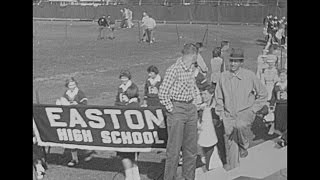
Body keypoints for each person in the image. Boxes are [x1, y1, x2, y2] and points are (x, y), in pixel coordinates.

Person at [215, 48, 268, 170]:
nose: (233, 64)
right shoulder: (223, 77)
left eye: (236, 61)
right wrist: (221, 113)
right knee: (230, 142)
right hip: (228, 115)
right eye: (231, 61)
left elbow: (263, 93)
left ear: (241, 62)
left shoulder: (249, 75)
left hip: (245, 113)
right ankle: (234, 170)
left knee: (239, 125)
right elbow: (219, 97)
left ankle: (244, 145)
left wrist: (254, 109)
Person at [158, 43, 200, 180]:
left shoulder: (191, 69)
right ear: (193, 55)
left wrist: (196, 103)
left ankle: (189, 177)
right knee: (174, 151)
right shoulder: (174, 70)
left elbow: (192, 88)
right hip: (177, 110)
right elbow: (163, 93)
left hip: (190, 109)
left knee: (191, 150)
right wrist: (172, 110)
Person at [56, 77, 95, 167]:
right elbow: (63, 102)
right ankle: (74, 158)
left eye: (73, 84)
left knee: (82, 135)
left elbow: (85, 104)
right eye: (70, 85)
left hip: (80, 118)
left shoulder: (80, 93)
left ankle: (87, 153)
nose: (72, 86)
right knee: (72, 137)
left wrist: (77, 104)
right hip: (70, 118)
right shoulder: (66, 94)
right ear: (67, 86)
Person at [197, 83, 225, 171]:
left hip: (214, 140)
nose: (203, 96)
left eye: (205, 94)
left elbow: (220, 123)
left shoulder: (216, 108)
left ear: (212, 94)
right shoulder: (202, 107)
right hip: (204, 138)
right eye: (201, 94)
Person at [117, 85, 141, 180]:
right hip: (137, 138)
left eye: (123, 96)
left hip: (127, 137)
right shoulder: (139, 106)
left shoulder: (128, 108)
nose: (122, 97)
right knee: (133, 158)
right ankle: (136, 176)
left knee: (125, 157)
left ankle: (129, 177)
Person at [269, 69, 287, 136]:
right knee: (279, 121)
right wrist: (271, 105)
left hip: (286, 105)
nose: (282, 77)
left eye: (284, 76)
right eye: (281, 76)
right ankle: (281, 136)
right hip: (279, 106)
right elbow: (273, 96)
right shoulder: (276, 84)